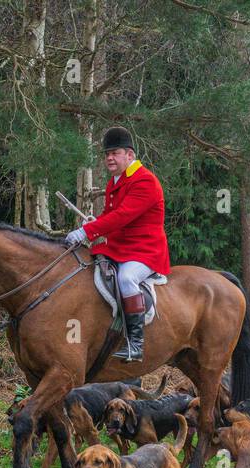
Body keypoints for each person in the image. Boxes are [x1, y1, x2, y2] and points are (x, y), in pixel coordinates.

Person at [65, 126, 169, 362]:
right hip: (120, 246)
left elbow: (122, 216)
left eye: (115, 153)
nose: (109, 157)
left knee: (126, 279)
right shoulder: (116, 181)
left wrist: (86, 231)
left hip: (145, 250)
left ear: (129, 155)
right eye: (107, 154)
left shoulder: (145, 181)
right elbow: (109, 214)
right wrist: (96, 222)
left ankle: (135, 343)